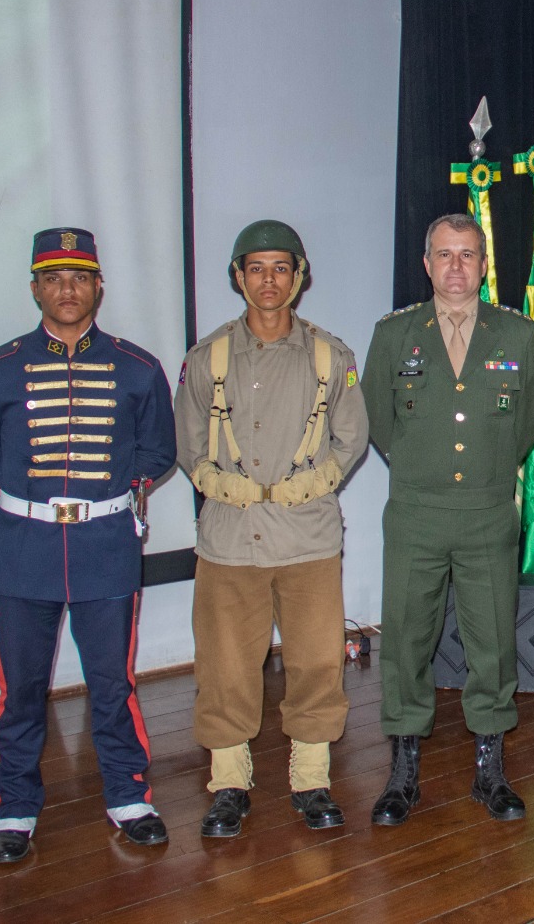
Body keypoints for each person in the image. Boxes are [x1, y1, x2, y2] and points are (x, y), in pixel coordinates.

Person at [0, 227, 177, 864]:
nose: (67, 290)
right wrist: (36, 501)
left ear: (98, 287)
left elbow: (158, 451)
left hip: (104, 547)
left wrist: (101, 496)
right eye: (53, 279)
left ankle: (130, 797)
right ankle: (13, 808)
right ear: (35, 289)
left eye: (79, 277)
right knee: (20, 691)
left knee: (113, 685)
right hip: (22, 550)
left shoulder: (138, 368)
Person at [174, 220, 368, 836]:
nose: (268, 280)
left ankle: (311, 779)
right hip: (230, 541)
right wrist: (220, 483)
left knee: (316, 663)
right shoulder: (207, 359)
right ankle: (229, 783)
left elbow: (352, 437)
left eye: (281, 268)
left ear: (299, 276)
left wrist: (310, 485)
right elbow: (188, 444)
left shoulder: (330, 357)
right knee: (225, 666)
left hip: (307, 538)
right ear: (238, 276)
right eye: (255, 268)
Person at [362, 214, 534, 825]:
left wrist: (491, 470)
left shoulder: (518, 334)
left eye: (468, 254)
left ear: (484, 264)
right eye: (444, 254)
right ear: (426, 264)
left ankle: (490, 769)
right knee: (405, 640)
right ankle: (403, 770)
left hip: (488, 514)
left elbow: (532, 414)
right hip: (415, 512)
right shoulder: (395, 334)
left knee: (492, 642)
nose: (456, 266)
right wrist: (421, 465)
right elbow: (378, 418)